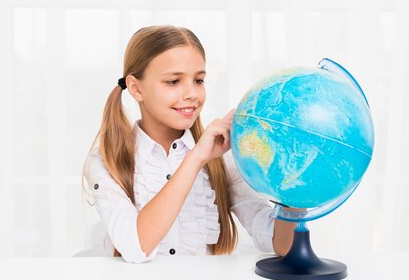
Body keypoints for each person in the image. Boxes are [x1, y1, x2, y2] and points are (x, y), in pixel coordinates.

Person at [84, 25, 296, 263]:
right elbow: (135, 247)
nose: (192, 93)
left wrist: (297, 183)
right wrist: (195, 158)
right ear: (136, 88)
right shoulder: (106, 161)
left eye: (198, 80)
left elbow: (279, 243)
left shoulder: (223, 158)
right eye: (174, 81)